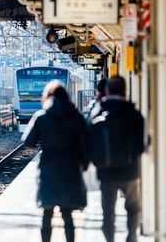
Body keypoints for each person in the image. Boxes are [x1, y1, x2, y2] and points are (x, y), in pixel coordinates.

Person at [21, 80, 88, 242]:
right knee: (68, 214)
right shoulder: (77, 116)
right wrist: (83, 166)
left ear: (47, 96)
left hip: (48, 170)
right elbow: (87, 144)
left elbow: (28, 142)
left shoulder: (41, 116)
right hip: (71, 169)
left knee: (47, 214)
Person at [89, 76, 144, 242]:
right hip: (130, 171)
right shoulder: (134, 114)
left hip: (106, 173)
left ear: (107, 91)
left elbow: (89, 141)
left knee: (108, 211)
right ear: (125, 91)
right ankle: (131, 237)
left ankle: (110, 240)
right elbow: (140, 146)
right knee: (133, 207)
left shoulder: (97, 112)